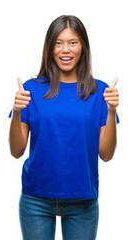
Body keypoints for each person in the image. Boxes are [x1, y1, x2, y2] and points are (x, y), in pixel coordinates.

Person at [9, 15, 119, 240]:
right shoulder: (31, 89)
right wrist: (17, 111)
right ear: (50, 48)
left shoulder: (100, 91)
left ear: (83, 47)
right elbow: (16, 151)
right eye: (58, 43)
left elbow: (106, 155)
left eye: (73, 42)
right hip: (36, 200)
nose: (65, 50)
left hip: (82, 200)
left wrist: (111, 110)